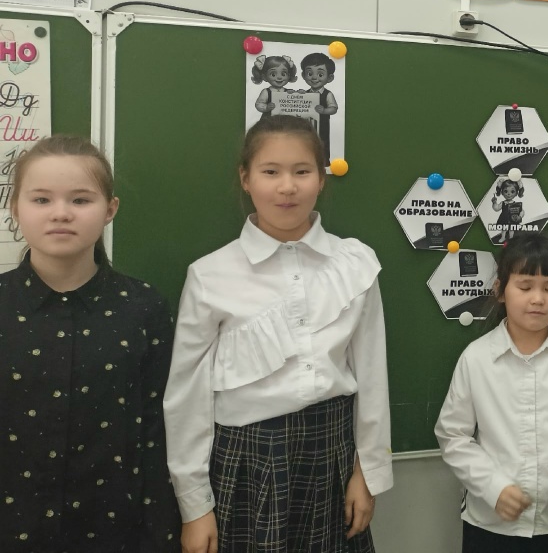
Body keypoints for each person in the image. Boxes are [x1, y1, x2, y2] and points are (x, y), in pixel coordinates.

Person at [165, 115, 392, 553]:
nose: (287, 187)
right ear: (245, 178)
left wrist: (367, 471)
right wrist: (194, 506)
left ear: (321, 179)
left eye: (302, 171)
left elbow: (372, 373)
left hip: (332, 454)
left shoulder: (354, 263)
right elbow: (186, 396)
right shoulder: (210, 274)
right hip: (245, 460)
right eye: (270, 171)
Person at [0, 135, 181, 552]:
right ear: (15, 209)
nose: (61, 213)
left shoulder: (143, 308)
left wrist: (162, 532)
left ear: (110, 210)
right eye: (41, 199)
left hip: (114, 530)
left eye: (80, 200)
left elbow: (157, 430)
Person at [436, 233, 548, 553]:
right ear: (500, 291)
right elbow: (453, 435)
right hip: (492, 523)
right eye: (524, 287)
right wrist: (492, 486)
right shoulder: (476, 358)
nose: (538, 299)